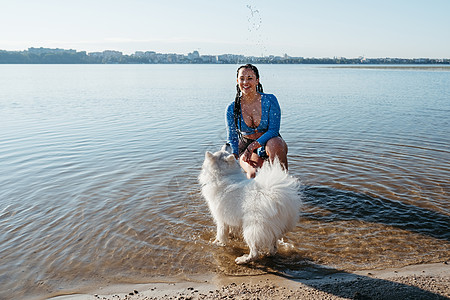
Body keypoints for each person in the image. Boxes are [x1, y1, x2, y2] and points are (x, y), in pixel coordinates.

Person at [226, 64, 288, 179]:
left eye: (250, 78)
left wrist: (253, 146)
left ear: (257, 81)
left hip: (270, 143)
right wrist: (234, 156)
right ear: (237, 81)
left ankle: (284, 184)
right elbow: (232, 138)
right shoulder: (231, 108)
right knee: (253, 174)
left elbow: (273, 131)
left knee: (275, 143)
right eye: (242, 78)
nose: (245, 82)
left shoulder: (270, 100)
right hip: (246, 145)